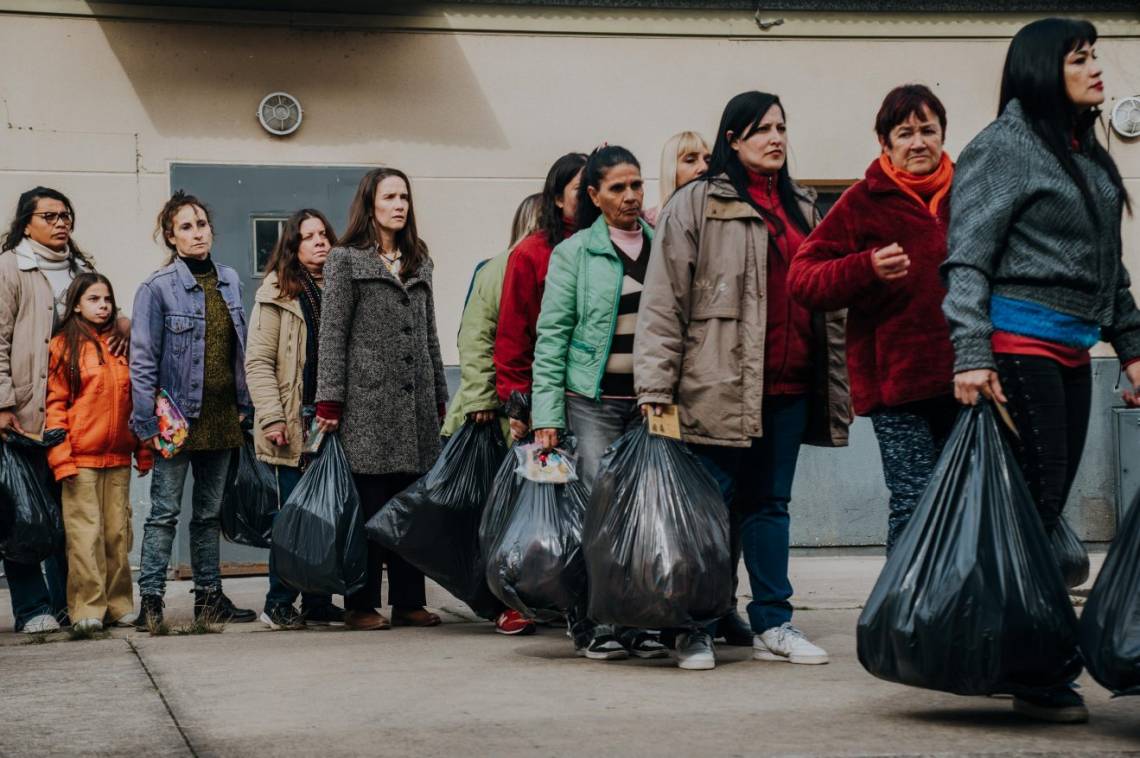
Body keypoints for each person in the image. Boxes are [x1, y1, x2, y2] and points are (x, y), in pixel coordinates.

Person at [943, 18, 1140, 723]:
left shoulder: (1085, 154)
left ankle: (1014, 648)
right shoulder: (1005, 148)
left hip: (1073, 350)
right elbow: (967, 257)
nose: (1097, 69)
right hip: (1017, 349)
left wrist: (1133, 345)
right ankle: (1032, 667)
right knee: (1032, 513)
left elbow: (1105, 267)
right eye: (1079, 59)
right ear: (1039, 69)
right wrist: (971, 354)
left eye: (1095, 56)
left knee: (1040, 512)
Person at [636, 91, 850, 670]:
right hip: (714, 386)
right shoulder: (696, 205)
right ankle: (695, 626)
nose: (776, 138)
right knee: (707, 512)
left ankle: (774, 625)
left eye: (782, 127)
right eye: (762, 129)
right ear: (732, 139)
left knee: (770, 507)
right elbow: (663, 303)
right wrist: (656, 390)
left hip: (788, 387)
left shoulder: (804, 208)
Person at [788, 84, 957, 553]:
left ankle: (963, 611)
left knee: (964, 500)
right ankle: (903, 615)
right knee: (913, 500)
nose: (918, 142)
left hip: (968, 381)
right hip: (896, 390)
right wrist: (865, 267)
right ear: (885, 143)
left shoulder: (970, 192)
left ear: (943, 134)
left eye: (928, 130)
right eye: (905, 133)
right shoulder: (861, 202)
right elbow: (803, 279)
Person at [531, 145, 668, 662]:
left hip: (651, 405)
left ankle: (642, 621)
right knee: (599, 511)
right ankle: (600, 620)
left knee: (649, 511)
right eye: (617, 188)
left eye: (636, 186)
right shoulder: (574, 255)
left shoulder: (662, 246)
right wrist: (546, 414)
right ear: (594, 195)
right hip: (592, 403)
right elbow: (552, 337)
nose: (630, 196)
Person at [314, 167, 448, 632]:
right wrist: (329, 399)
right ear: (369, 203)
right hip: (366, 408)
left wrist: (438, 396)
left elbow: (430, 334)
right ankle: (360, 603)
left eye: (405, 197)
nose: (399, 205)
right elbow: (332, 335)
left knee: (410, 509)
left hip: (415, 410)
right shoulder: (345, 260)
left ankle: (409, 600)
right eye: (390, 196)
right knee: (369, 511)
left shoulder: (419, 260)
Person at [0, 186, 127, 634]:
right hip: (25, 416)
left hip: (76, 424)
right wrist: (3, 404)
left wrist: (124, 324)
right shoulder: (10, 269)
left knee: (71, 522)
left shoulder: (82, 269)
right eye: (49, 216)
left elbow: (104, 316)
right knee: (24, 516)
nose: (60, 223)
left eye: (65, 215)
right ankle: (31, 609)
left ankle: (67, 605)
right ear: (26, 223)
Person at [130, 191, 257, 630]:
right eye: (186, 226)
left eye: (201, 224)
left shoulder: (231, 280)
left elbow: (240, 350)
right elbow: (143, 359)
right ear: (171, 236)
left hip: (223, 416)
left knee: (208, 515)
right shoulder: (156, 288)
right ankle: (151, 600)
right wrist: (144, 421)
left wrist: (246, 407)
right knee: (163, 513)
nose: (197, 232)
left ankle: (208, 598)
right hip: (176, 420)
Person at [245, 209, 346, 630]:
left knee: (327, 514)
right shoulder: (276, 293)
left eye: (324, 234)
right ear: (293, 246)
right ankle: (279, 602)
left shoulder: (342, 289)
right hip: (293, 418)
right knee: (294, 517)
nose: (320, 242)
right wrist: (270, 417)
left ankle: (318, 601)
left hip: (333, 420)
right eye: (309, 237)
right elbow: (258, 362)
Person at [45, 274, 151, 632]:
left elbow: (135, 401)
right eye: (93, 299)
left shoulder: (122, 345)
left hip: (118, 459)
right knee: (85, 537)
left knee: (117, 535)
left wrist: (144, 450)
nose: (102, 305)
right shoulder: (63, 347)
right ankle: (87, 608)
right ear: (76, 304)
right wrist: (60, 458)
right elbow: (55, 406)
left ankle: (120, 605)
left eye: (107, 299)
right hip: (80, 462)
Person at [494, 153, 588, 441]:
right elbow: (513, 335)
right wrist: (518, 403)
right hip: (548, 394)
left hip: (599, 396)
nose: (589, 196)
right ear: (558, 199)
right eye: (579, 188)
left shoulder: (612, 246)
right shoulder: (530, 253)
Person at [442, 192, 542, 443]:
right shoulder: (497, 269)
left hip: (515, 407)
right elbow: (475, 335)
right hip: (494, 413)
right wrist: (481, 399)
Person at [644, 131, 710, 226]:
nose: (704, 167)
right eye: (690, 160)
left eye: (708, 161)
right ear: (671, 170)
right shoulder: (647, 225)